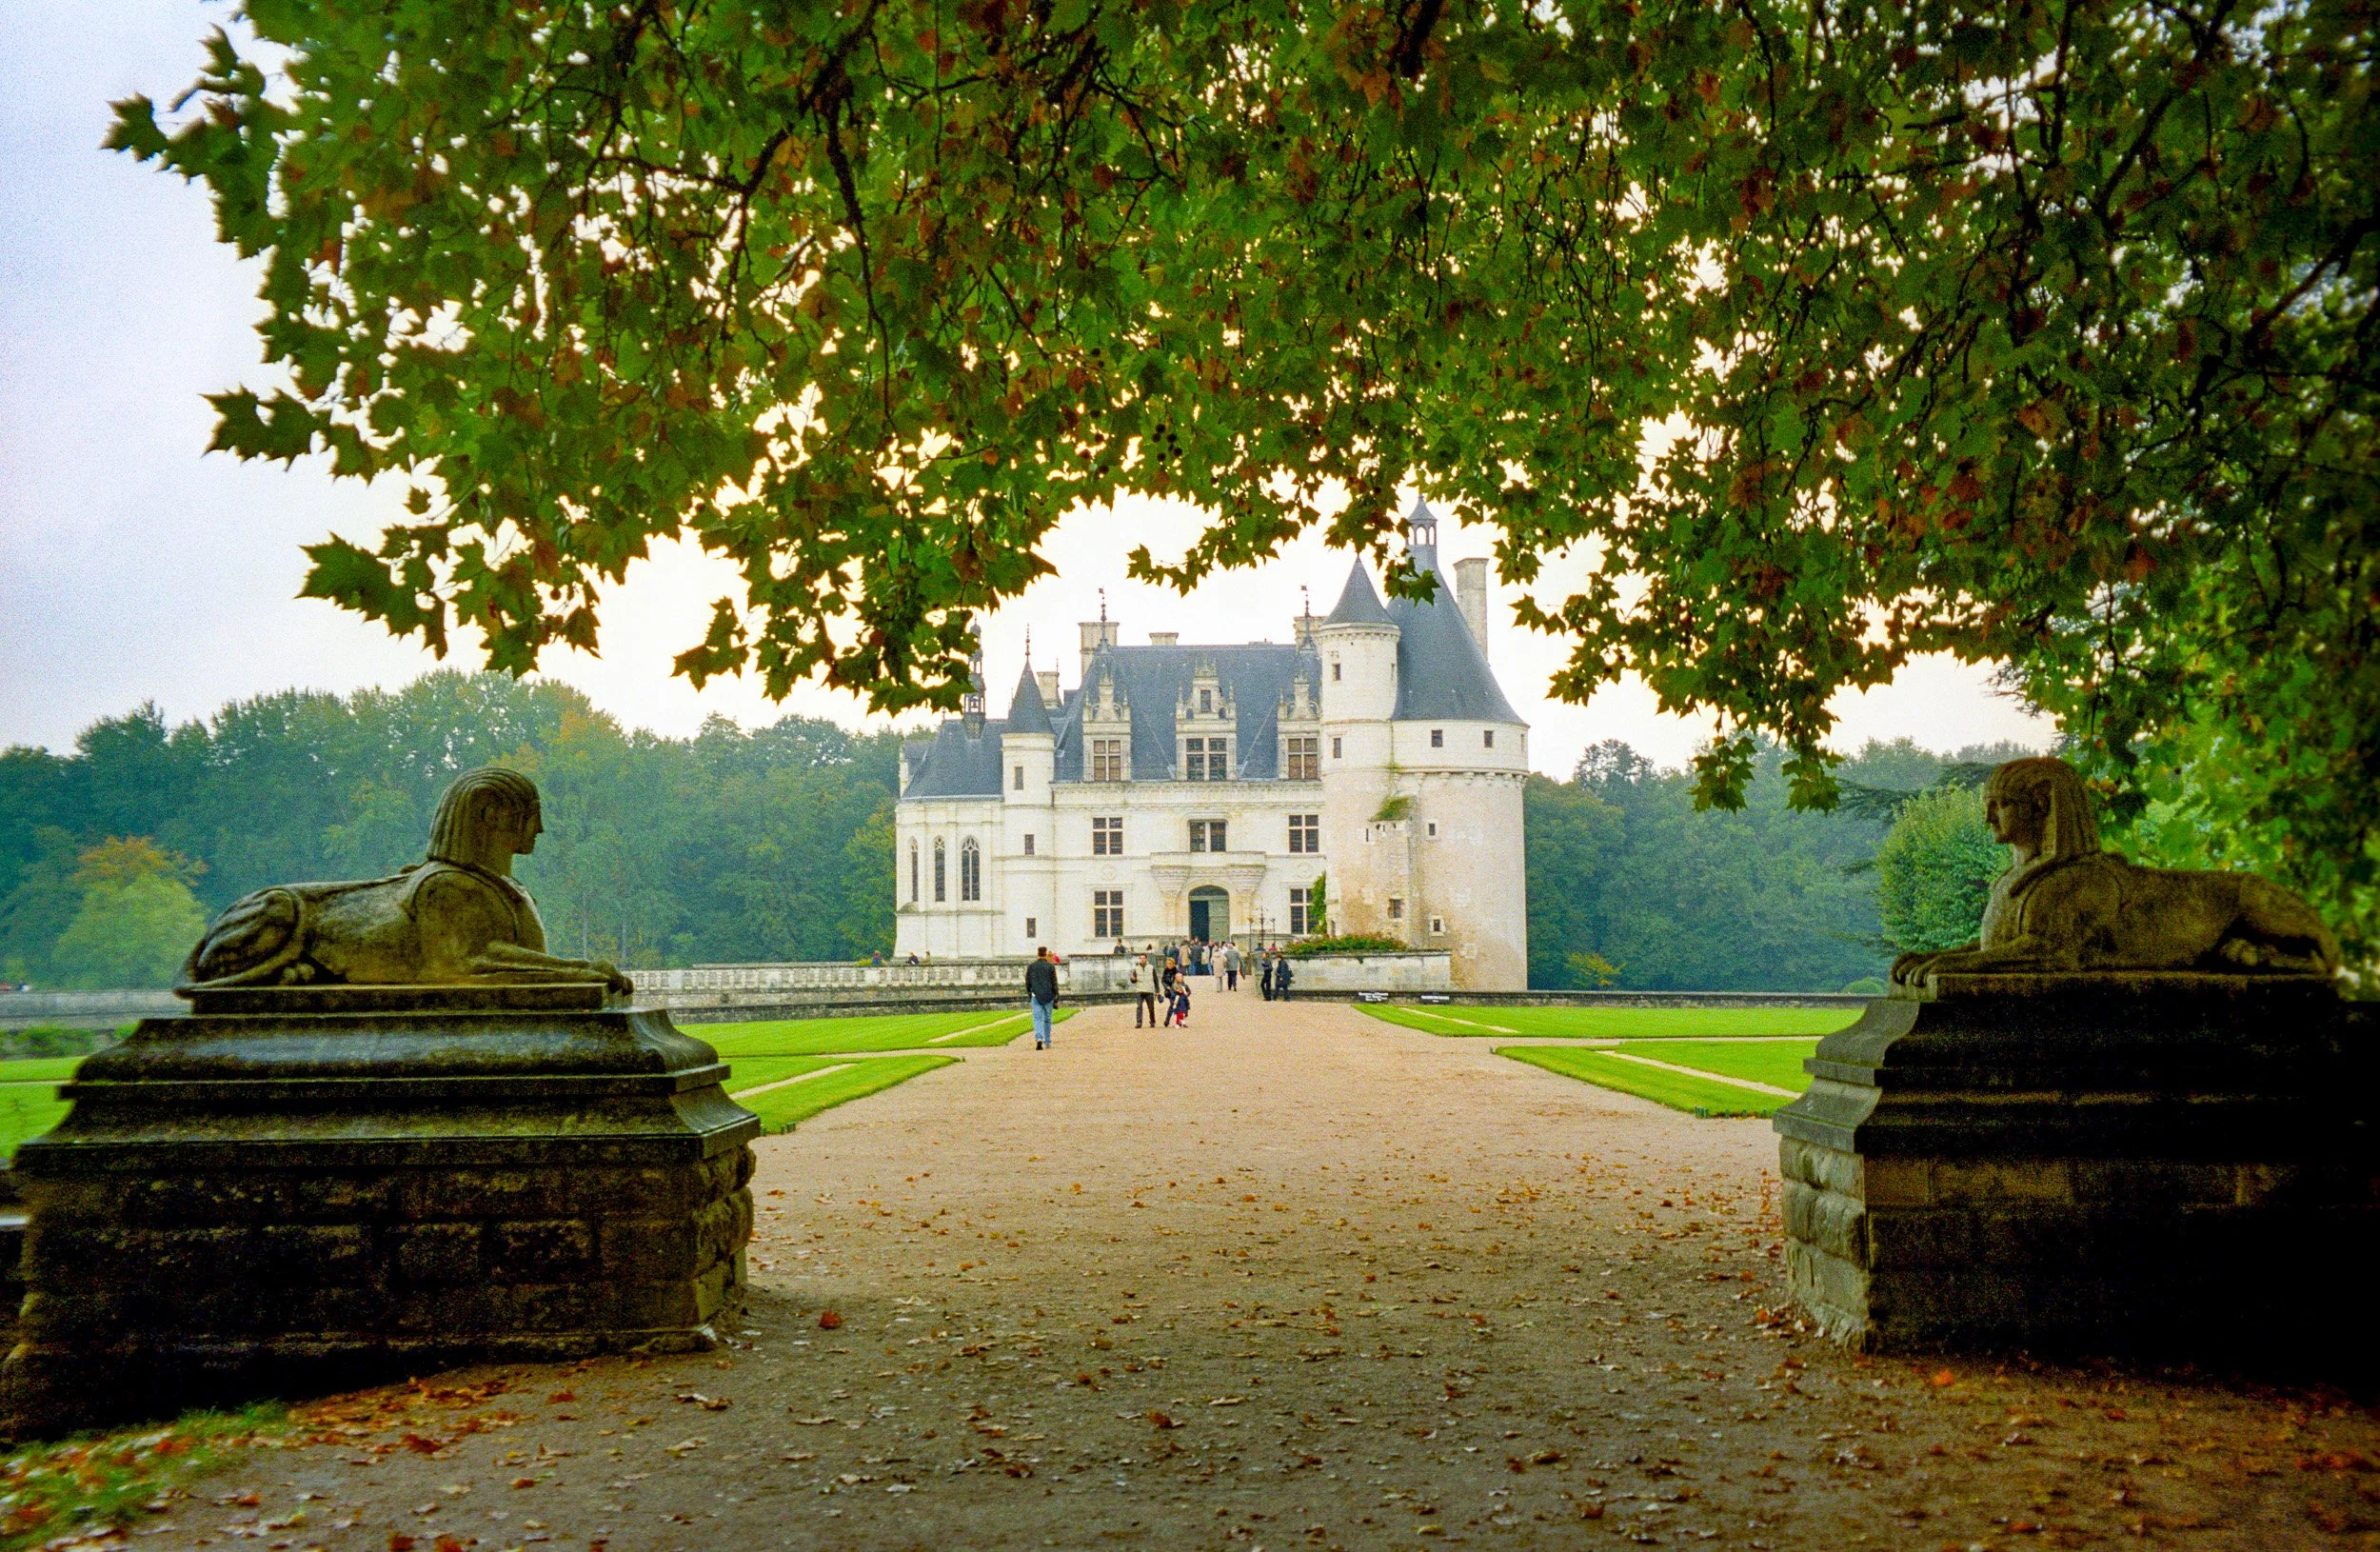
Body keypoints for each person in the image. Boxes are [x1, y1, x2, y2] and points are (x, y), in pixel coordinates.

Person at [1024, 945, 1060, 1050]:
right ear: (1045, 954)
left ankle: (1039, 1038)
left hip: (1036, 995)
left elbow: (1028, 982)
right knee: (1047, 1019)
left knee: (1037, 1018)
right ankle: (1047, 1041)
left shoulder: (1031, 966)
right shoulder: (1050, 967)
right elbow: (1054, 984)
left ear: (1038, 954)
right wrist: (1056, 998)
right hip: (1048, 996)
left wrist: (1030, 994)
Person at [1129, 953, 1157, 1028]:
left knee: (1151, 1008)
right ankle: (1139, 1022)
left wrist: (1157, 991)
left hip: (1149, 990)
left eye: (1143, 958)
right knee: (1139, 1006)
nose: (1142, 959)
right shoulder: (1136, 968)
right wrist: (1132, 979)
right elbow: (1133, 979)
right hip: (1139, 990)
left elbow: (1155, 979)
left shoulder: (1151, 967)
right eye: (1141, 958)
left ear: (1146, 959)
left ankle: (1152, 1021)